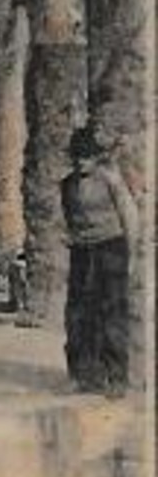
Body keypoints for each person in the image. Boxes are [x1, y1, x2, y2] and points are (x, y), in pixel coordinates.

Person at [60, 124, 140, 396]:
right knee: (79, 314)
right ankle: (84, 375)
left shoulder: (111, 180)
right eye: (77, 157)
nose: (82, 162)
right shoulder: (67, 184)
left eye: (87, 156)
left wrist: (131, 255)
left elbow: (129, 216)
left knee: (112, 313)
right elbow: (68, 219)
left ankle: (117, 377)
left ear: (96, 157)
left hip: (111, 247)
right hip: (82, 252)